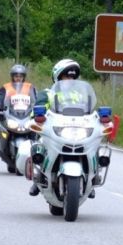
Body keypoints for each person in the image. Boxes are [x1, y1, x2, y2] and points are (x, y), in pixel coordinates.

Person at [28, 59, 95, 196]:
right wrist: (38, 116)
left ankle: (91, 180)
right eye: (66, 76)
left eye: (72, 77)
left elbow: (90, 110)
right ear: (57, 77)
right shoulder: (47, 93)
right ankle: (38, 178)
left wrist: (97, 118)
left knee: (92, 146)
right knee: (40, 146)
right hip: (54, 128)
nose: (69, 79)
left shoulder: (80, 95)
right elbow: (36, 111)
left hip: (76, 129)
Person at [0, 64, 37, 158]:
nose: (18, 78)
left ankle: (35, 147)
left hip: (25, 113)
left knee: (36, 127)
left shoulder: (30, 87)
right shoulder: (6, 87)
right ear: (12, 77)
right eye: (16, 76)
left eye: (20, 76)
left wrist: (37, 107)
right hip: (10, 113)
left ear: (24, 77)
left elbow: (36, 98)